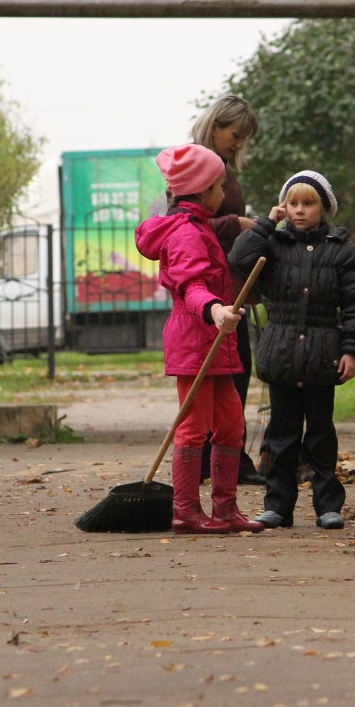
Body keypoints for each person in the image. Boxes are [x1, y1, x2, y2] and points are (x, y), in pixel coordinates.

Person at [134, 143, 265, 534]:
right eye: (220, 185)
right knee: (193, 427)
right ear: (204, 190)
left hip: (215, 338)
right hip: (196, 337)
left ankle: (225, 509)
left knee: (230, 425)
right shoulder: (186, 233)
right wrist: (215, 310)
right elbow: (191, 285)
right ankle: (186, 511)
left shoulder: (201, 226)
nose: (225, 193)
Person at [229, 171, 355, 530]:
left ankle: (327, 506)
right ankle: (277, 505)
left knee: (321, 432)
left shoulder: (341, 251)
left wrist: (351, 350)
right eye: (293, 203)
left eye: (308, 203)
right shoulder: (273, 245)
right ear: (284, 206)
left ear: (323, 208)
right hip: (282, 354)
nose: (299, 210)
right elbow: (239, 258)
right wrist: (265, 223)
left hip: (324, 355)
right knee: (282, 434)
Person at [190, 95, 264, 485]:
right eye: (235, 135)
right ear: (215, 125)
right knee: (223, 374)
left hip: (232, 282)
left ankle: (225, 461)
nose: (239, 144)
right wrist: (239, 223)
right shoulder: (197, 168)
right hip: (211, 287)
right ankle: (214, 460)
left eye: (243, 139)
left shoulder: (223, 170)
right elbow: (187, 224)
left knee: (235, 372)